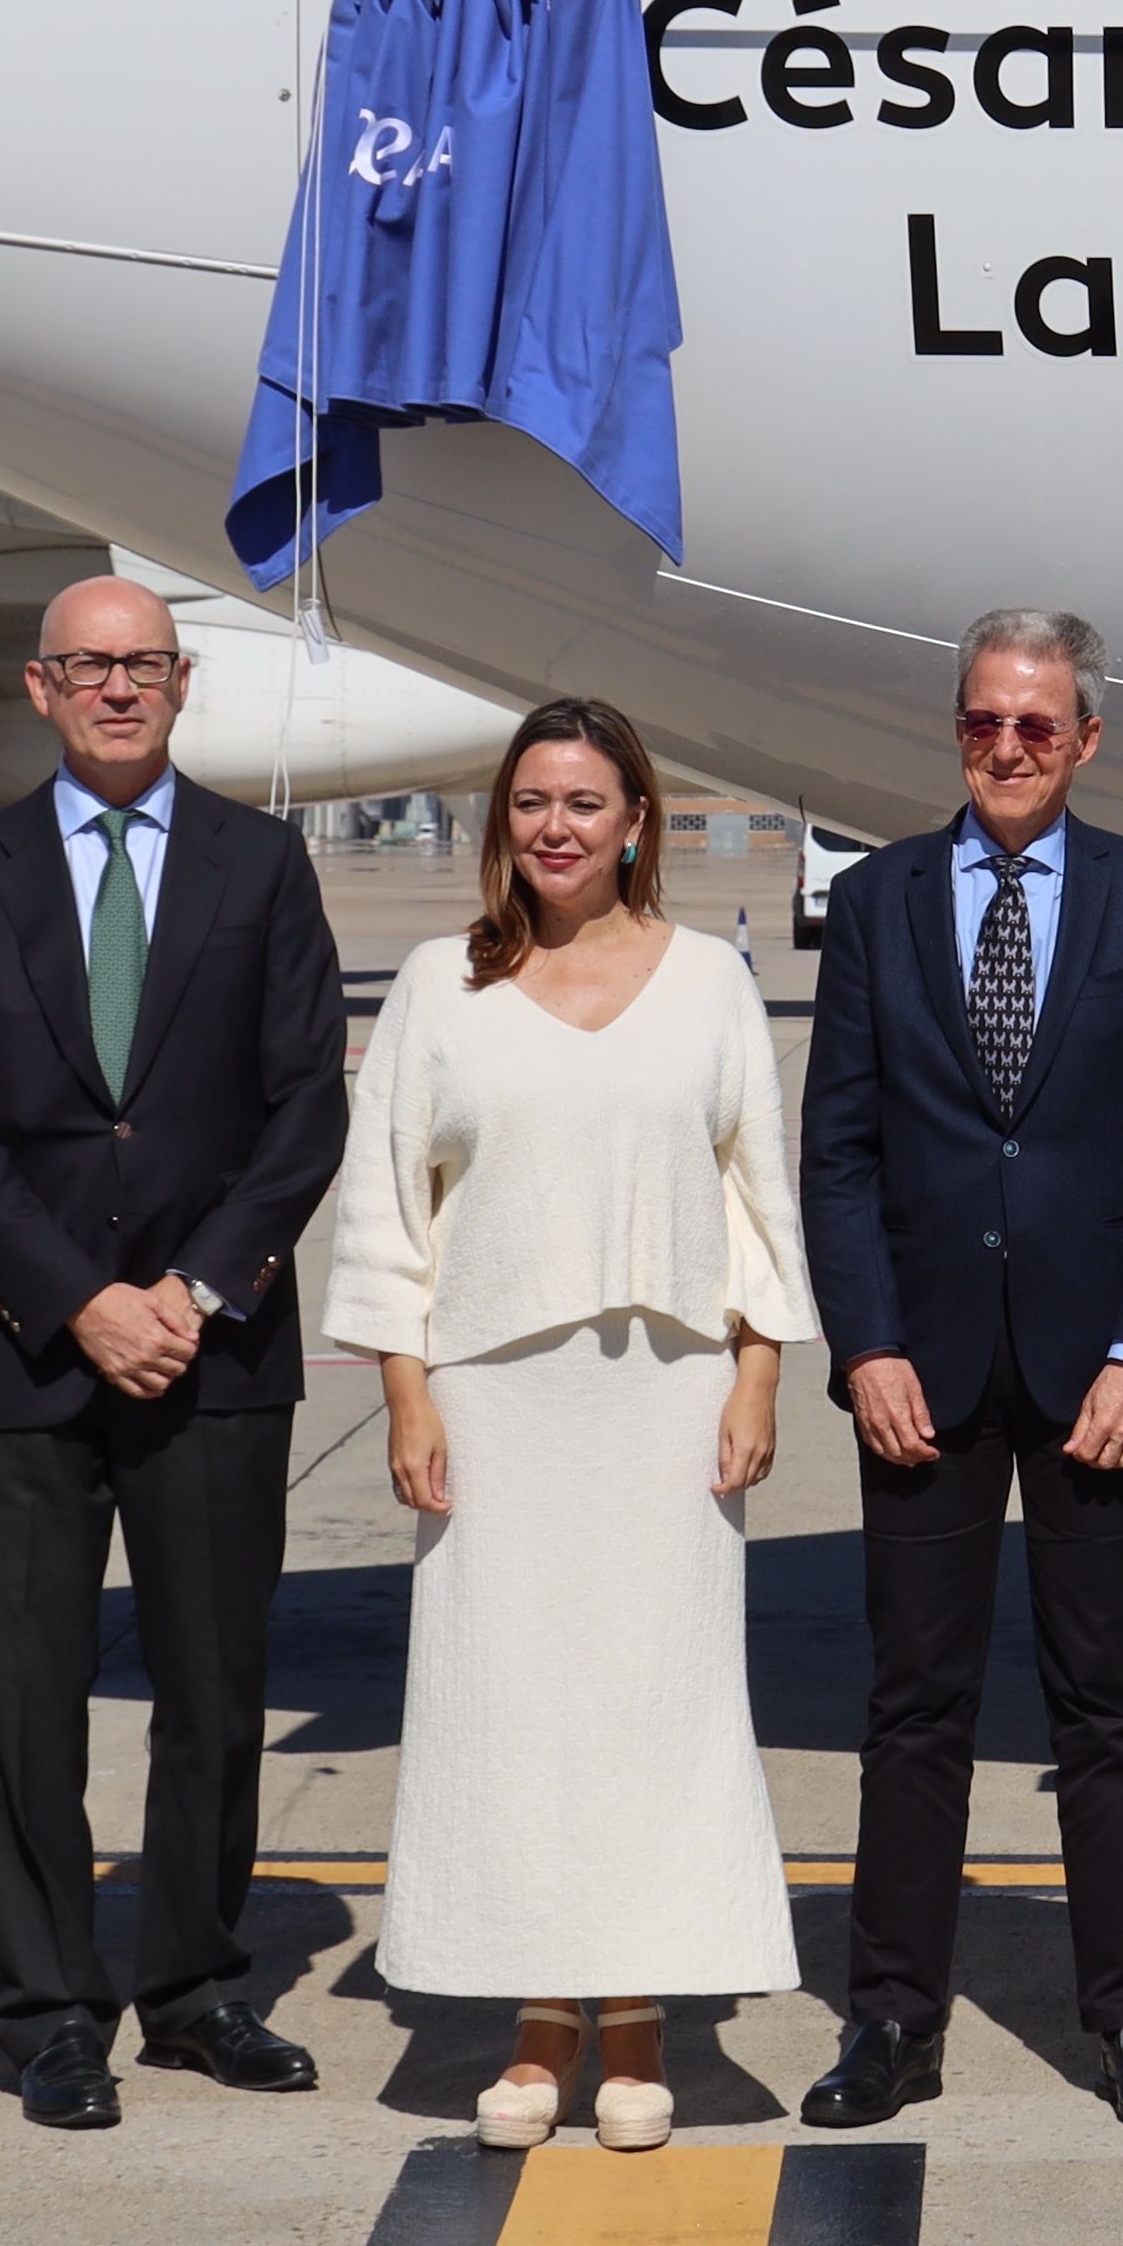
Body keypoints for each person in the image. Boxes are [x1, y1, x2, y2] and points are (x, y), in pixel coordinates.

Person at [319, 699, 814, 2150]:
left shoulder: (712, 983)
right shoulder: (436, 981)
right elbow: (385, 1201)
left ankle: (645, 2014)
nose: (556, 825)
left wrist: (759, 1371)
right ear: (502, 823)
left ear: (636, 819)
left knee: (658, 1706)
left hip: (664, 1395)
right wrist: (407, 1391)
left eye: (585, 800)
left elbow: (754, 1186)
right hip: (495, 1397)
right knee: (509, 1710)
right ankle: (538, 2020)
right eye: (531, 800)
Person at [0, 576, 353, 2130]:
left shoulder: (262, 861)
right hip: (24, 1351)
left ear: (181, 683)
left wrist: (196, 1284)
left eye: (143, 665)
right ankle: (44, 2010)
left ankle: (194, 1984)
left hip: (211, 1347)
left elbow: (308, 1104)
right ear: (38, 686)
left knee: (215, 1686)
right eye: (87, 666)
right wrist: (79, 1296)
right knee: (21, 1695)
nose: (116, 688)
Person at [795, 608, 1123, 2135]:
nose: (1010, 746)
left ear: (1087, 738)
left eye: (1039, 725)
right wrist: (864, 1346)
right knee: (915, 1701)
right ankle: (892, 2013)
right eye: (985, 720)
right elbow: (835, 1151)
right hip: (923, 1368)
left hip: (1094, 1368)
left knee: (1106, 1701)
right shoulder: (880, 895)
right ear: (956, 726)